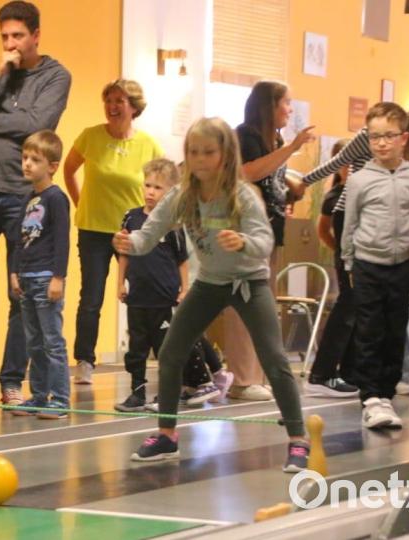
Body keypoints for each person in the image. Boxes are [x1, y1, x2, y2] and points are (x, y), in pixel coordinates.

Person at [115, 117, 308, 472]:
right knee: (172, 353)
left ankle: (298, 439)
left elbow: (264, 241)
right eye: (193, 152)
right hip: (210, 284)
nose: (200, 159)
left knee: (274, 359)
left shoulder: (243, 195)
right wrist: (131, 242)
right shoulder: (182, 195)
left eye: (208, 152)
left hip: (248, 283)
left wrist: (244, 242)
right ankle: (167, 435)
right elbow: (150, 233)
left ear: (225, 155)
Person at [0, 1, 71, 406]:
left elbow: (36, 125)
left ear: (36, 35)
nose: (10, 44)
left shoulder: (55, 75)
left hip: (25, 200)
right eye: (4, 36)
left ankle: (10, 381)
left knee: (20, 294)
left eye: (18, 36)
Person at [63, 79, 163, 385]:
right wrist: (80, 204)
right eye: (108, 100)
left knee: (142, 295)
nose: (112, 106)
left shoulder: (148, 144)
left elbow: (163, 186)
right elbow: (68, 170)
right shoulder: (90, 137)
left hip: (132, 232)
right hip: (93, 228)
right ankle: (84, 361)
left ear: (133, 107)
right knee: (91, 297)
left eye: (119, 100)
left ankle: (147, 359)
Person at [341, 102, 409, 431]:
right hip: (367, 264)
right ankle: (369, 396)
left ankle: (387, 393)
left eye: (388, 136)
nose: (381, 143)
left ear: (404, 138)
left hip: (400, 267)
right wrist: (349, 261)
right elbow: (350, 224)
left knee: (396, 330)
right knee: (368, 330)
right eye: (374, 136)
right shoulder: (361, 179)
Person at [114, 159, 226, 412]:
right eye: (148, 185)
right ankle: (137, 392)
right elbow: (124, 252)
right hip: (138, 296)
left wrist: (183, 289)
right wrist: (120, 283)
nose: (151, 192)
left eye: (158, 188)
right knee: (136, 349)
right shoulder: (130, 217)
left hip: (163, 297)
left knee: (166, 349)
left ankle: (172, 392)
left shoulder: (171, 223)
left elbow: (181, 260)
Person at [227, 81, 314, 401]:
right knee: (245, 303)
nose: (290, 109)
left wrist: (289, 187)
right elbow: (247, 173)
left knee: (262, 305)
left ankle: (257, 374)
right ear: (269, 106)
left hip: (270, 231)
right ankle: (241, 377)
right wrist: (291, 149)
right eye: (286, 103)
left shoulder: (273, 139)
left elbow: (271, 176)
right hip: (247, 231)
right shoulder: (246, 135)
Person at [8, 130, 71, 419]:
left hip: (47, 277)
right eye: (25, 158)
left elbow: (62, 240)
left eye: (35, 159)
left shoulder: (56, 198)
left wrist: (58, 277)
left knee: (52, 341)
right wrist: (14, 272)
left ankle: (60, 399)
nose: (28, 164)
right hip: (27, 277)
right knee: (33, 341)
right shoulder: (27, 199)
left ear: (53, 166)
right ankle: (38, 395)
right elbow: (19, 239)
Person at [305, 139, 360, 398]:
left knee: (356, 313)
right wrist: (340, 250)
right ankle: (321, 374)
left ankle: (350, 371)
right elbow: (323, 230)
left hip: (360, 255)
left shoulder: (360, 189)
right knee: (347, 309)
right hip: (347, 255)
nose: (348, 167)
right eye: (344, 162)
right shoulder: (336, 197)